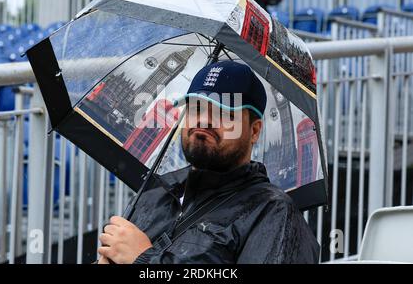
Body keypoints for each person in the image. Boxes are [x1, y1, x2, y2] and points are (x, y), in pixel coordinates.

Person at [97, 61, 320, 264]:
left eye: (223, 111)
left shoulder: (273, 214)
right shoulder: (157, 192)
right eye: (196, 108)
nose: (204, 119)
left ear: (254, 131)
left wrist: (144, 261)